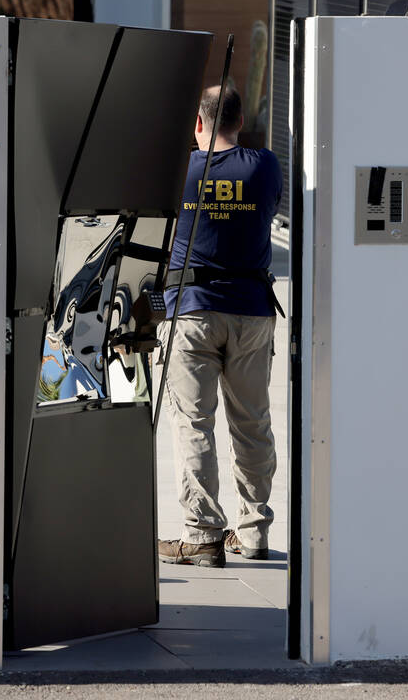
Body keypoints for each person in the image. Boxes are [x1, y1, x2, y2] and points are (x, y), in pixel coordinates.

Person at [156, 83, 282, 568]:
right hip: (251, 309)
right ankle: (252, 532)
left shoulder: (181, 171)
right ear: (240, 121)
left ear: (198, 123)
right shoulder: (265, 165)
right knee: (252, 424)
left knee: (194, 423)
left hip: (192, 309)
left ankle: (204, 534)